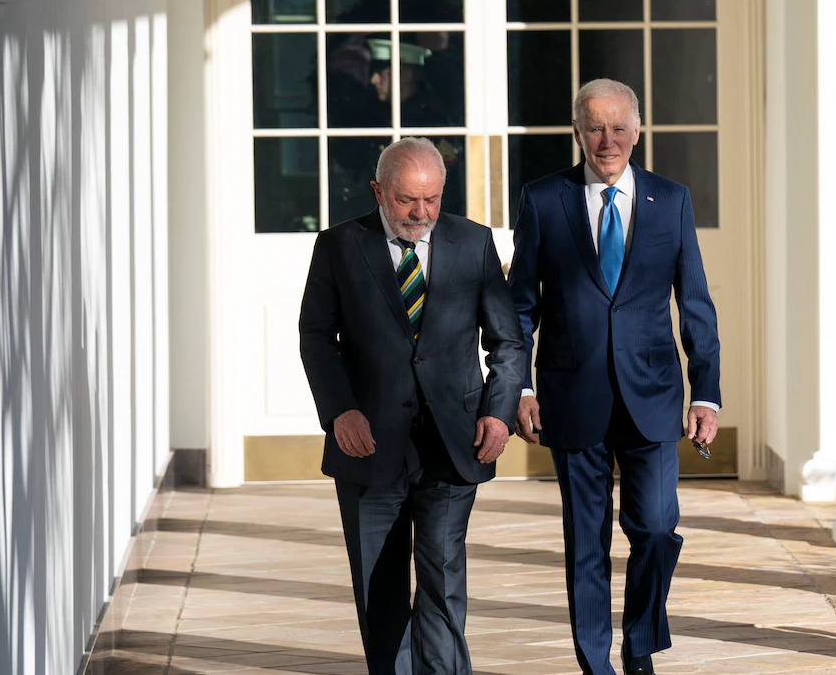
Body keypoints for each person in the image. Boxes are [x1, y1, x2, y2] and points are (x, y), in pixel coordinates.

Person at [506, 79, 721, 675]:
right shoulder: (543, 200)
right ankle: (595, 666)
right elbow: (519, 307)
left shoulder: (671, 200)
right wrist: (519, 387)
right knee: (586, 543)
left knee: (656, 527)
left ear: (637, 131)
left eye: (619, 127)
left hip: (652, 396)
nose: (608, 141)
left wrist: (706, 393)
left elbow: (695, 303)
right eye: (596, 128)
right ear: (578, 132)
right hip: (571, 396)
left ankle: (640, 641)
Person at [299, 137, 525, 675]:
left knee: (443, 582)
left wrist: (498, 411)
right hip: (369, 443)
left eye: (432, 199)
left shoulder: (473, 242)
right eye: (406, 200)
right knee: (380, 591)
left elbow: (508, 342)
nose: (421, 213)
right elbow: (315, 337)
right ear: (378, 191)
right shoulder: (339, 246)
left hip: (453, 443)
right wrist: (340, 411)